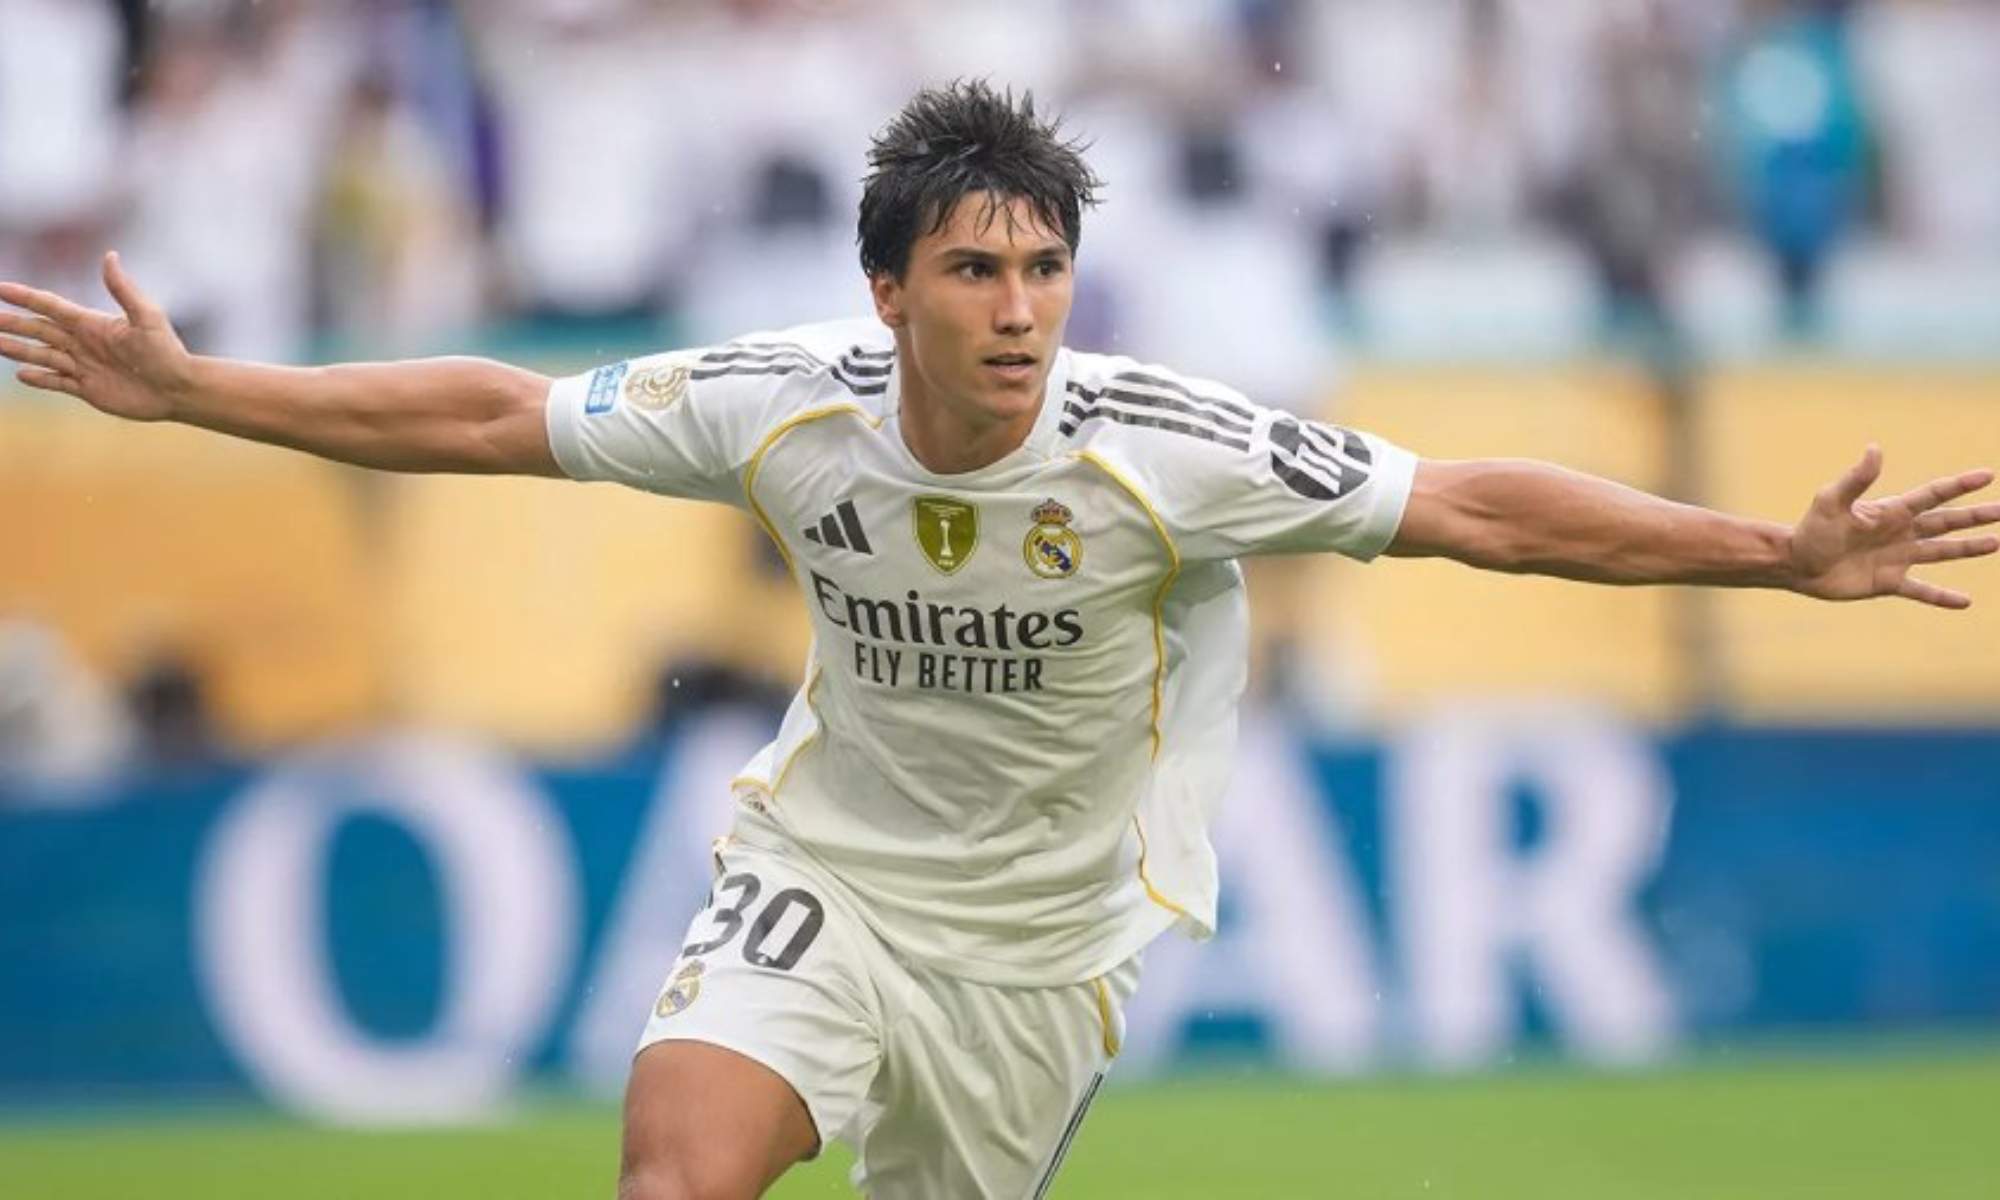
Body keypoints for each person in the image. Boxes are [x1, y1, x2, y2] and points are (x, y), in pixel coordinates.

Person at [3, 81, 1995, 1200]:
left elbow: (1474, 506)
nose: (1022, 306)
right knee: (672, 1178)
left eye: (1045, 267)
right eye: (976, 269)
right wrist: (205, 392)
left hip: (1041, 949)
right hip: (825, 877)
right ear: (888, 292)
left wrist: (1769, 553)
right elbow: (486, 417)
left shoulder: (1167, 447)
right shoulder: (777, 402)